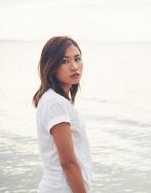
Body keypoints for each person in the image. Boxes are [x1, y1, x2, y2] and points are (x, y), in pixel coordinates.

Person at [32, 36, 93, 193]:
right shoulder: (55, 103)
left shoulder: (54, 100)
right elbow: (68, 162)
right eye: (64, 61)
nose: (74, 66)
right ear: (51, 66)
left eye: (77, 58)